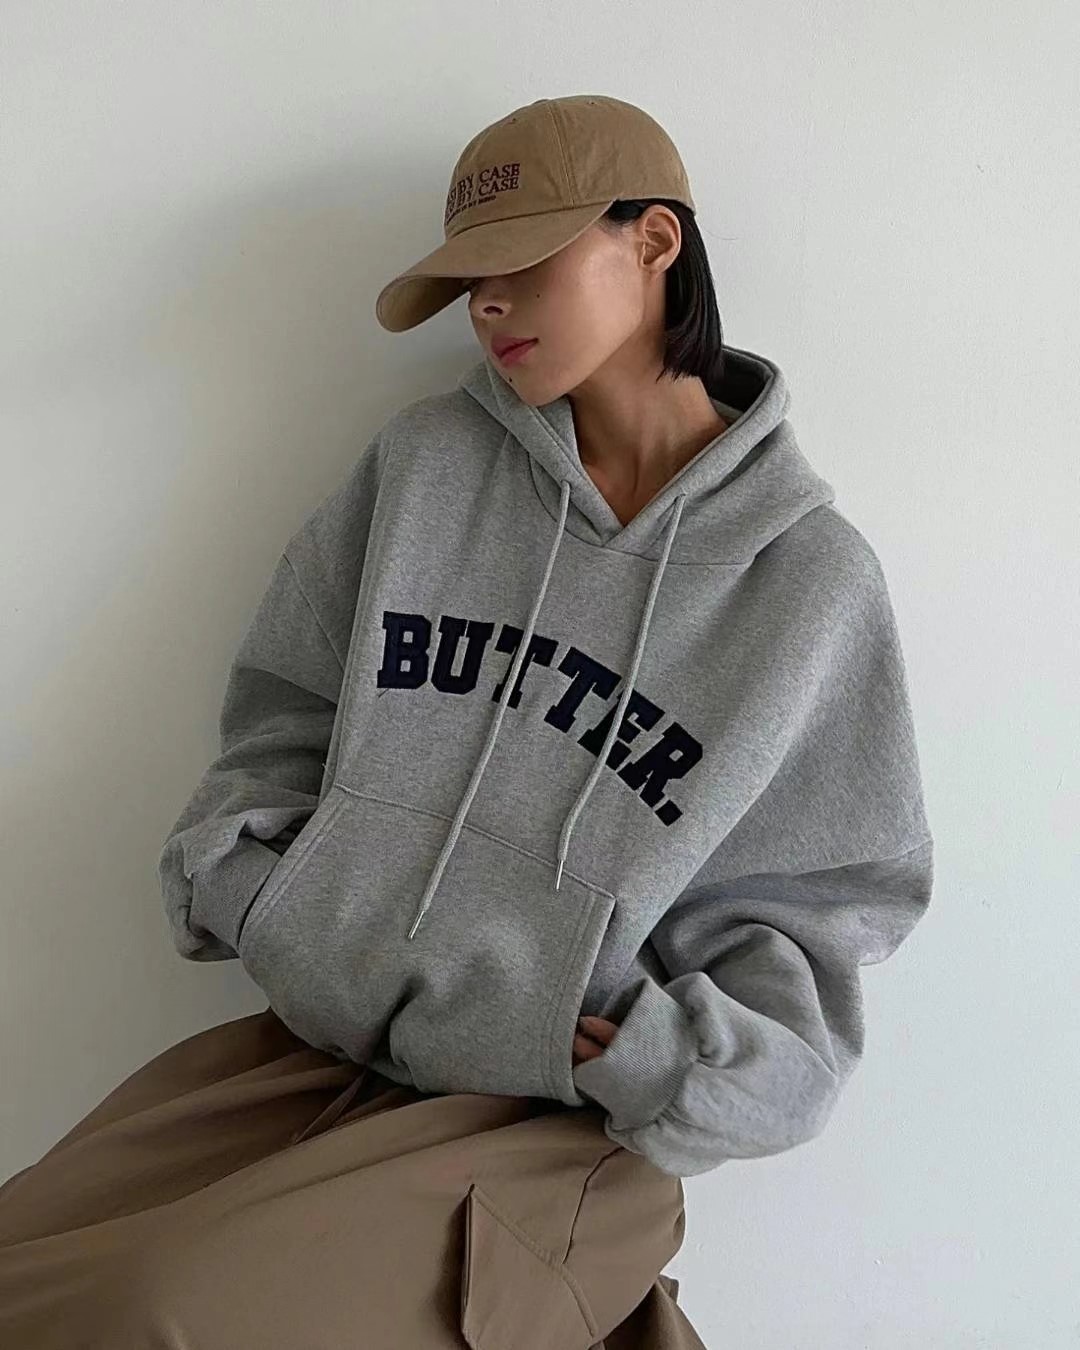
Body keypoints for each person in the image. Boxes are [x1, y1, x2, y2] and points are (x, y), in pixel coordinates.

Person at [0, 94, 934, 1347]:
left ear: (655, 240)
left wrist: (660, 1054)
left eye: (523, 263)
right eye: (469, 281)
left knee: (150, 1314)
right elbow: (288, 704)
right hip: (321, 1050)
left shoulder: (809, 584)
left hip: (556, 1121)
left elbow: (824, 907)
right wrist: (261, 888)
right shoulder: (428, 466)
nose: (489, 304)